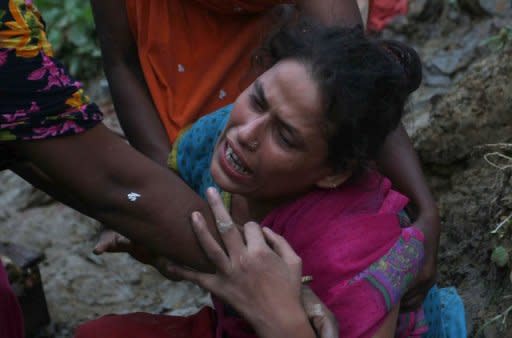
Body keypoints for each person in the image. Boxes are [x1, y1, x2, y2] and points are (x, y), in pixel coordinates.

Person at [76, 21, 428, 338]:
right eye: (258, 101)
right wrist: (162, 251)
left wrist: (285, 323)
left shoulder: (357, 249)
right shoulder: (212, 139)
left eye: (286, 137)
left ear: (334, 172)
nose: (245, 133)